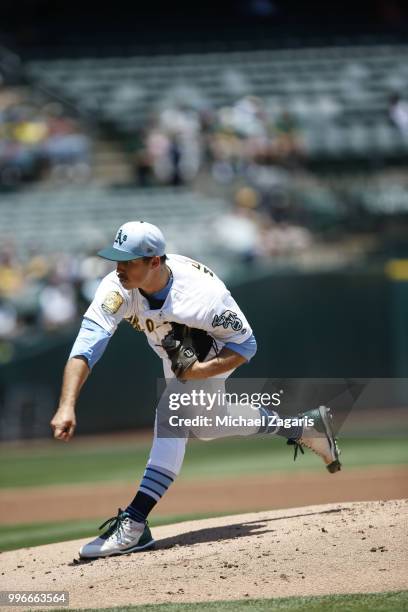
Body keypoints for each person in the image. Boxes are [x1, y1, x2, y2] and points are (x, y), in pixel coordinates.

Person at [50, 221, 341, 559]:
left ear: (154, 262)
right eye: (116, 260)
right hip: (175, 354)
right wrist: (67, 405)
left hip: (213, 350)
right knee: (208, 426)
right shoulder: (117, 287)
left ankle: (134, 522)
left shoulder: (204, 297)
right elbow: (87, 346)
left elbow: (247, 345)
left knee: (172, 414)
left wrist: (202, 371)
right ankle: (304, 427)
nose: (119, 269)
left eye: (128, 261)